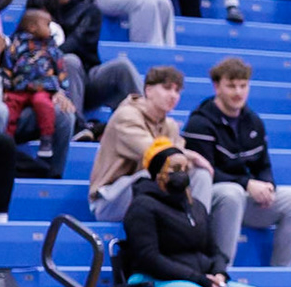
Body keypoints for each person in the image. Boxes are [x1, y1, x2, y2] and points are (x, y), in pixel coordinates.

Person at [122, 143, 270, 287]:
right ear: (158, 173)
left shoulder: (196, 207)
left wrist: (219, 274)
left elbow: (214, 251)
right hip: (151, 282)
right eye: (174, 169)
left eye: (185, 168)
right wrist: (200, 280)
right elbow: (149, 259)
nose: (181, 174)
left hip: (200, 279)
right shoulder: (142, 206)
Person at [183, 57, 291, 268]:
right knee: (232, 193)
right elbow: (205, 174)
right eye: (231, 86)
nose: (238, 92)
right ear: (217, 87)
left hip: (243, 197)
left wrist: (267, 185)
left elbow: (263, 165)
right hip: (211, 199)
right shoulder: (200, 123)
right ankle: (221, 271)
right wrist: (247, 184)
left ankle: (281, 270)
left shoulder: (253, 121)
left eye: (243, 85)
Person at [90, 66, 215, 221]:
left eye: (177, 91)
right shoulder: (126, 116)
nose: (173, 95)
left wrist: (189, 161)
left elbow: (180, 164)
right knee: (156, 174)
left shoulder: (170, 125)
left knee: (200, 175)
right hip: (110, 199)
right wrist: (193, 156)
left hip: (147, 196)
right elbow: (156, 155)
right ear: (148, 90)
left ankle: (196, 226)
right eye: (167, 88)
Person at [30, 0, 139, 123]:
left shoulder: (88, 11)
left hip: (85, 79)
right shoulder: (35, 9)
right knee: (70, 61)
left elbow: (75, 44)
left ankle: (147, 122)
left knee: (122, 67)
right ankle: (76, 125)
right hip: (46, 79)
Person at [2, 9, 62, 163]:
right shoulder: (16, 45)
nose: (50, 29)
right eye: (47, 24)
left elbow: (61, 69)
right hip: (19, 87)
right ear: (33, 27)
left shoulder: (51, 47)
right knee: (10, 108)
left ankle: (46, 139)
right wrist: (6, 88)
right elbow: (7, 67)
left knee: (43, 103)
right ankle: (7, 142)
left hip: (42, 87)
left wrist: (62, 90)